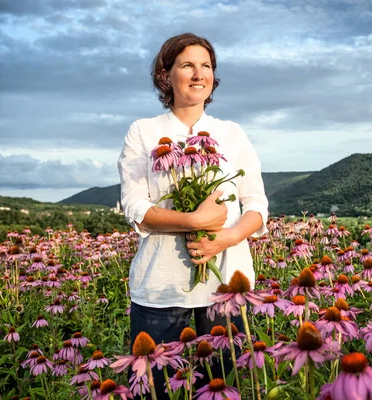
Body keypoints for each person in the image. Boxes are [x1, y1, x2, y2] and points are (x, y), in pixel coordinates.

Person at [117, 33, 269, 398]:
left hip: (225, 290)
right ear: (165, 75)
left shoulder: (231, 134)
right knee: (158, 390)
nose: (198, 74)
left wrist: (226, 238)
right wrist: (196, 222)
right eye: (187, 65)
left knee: (219, 389)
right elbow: (134, 205)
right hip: (162, 288)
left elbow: (257, 206)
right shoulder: (145, 131)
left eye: (206, 66)